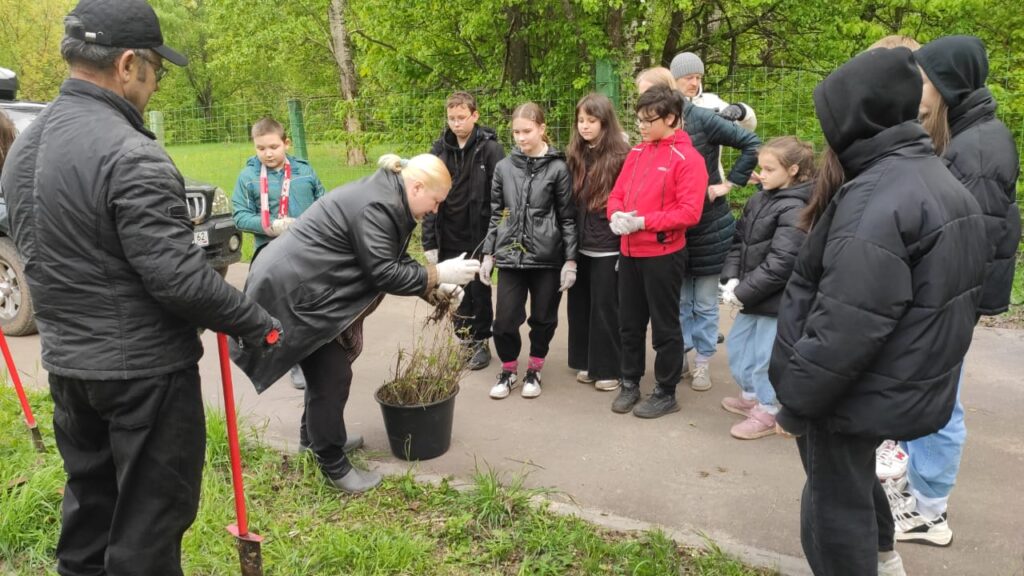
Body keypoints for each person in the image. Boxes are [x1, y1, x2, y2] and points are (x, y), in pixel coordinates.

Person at [0, 1, 283, 574]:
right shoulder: (132, 154)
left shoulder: (24, 148)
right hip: (144, 380)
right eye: (157, 68)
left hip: (71, 372)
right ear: (128, 64)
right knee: (148, 532)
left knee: (90, 509)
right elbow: (177, 278)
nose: (156, 83)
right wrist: (260, 324)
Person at [770, 47, 989, 576]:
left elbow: (847, 323)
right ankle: (885, 559)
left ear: (853, 116)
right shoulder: (933, 177)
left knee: (832, 510)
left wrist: (797, 401)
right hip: (891, 383)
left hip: (849, 391)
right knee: (855, 483)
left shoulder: (876, 199)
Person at [231, 154, 480, 493]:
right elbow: (383, 272)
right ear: (418, 187)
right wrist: (438, 272)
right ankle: (332, 462)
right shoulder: (377, 206)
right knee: (332, 375)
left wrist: (433, 289)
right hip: (295, 294)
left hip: (309, 287)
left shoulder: (390, 198)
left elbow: (387, 257)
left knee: (326, 375)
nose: (435, 210)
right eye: (435, 201)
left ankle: (314, 439)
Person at [884, 35, 1021, 548]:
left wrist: (929, 302)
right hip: (947, 295)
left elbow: (969, 241)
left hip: (950, 297)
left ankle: (930, 512)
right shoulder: (965, 133)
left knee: (941, 400)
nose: (914, 87)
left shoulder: (978, 148)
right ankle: (919, 493)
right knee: (933, 391)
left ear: (946, 84)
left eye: (921, 78)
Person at [606, 85, 708, 418]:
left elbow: (689, 212)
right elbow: (617, 194)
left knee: (665, 325)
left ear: (672, 118)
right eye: (639, 119)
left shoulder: (688, 159)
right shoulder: (636, 153)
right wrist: (616, 216)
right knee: (629, 323)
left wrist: (644, 222)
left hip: (663, 254)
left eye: (650, 120)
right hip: (629, 252)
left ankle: (666, 390)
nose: (643, 126)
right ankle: (630, 382)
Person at [667, 58, 762, 393]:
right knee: (678, 300)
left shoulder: (708, 108)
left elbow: (749, 130)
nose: (694, 83)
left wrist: (729, 184)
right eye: (688, 78)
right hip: (675, 220)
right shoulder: (660, 117)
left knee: (705, 301)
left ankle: (703, 362)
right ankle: (677, 354)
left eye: (697, 77)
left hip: (709, 216)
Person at [480, 102, 577, 400]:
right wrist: (489, 254)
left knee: (544, 318)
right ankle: (508, 370)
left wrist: (570, 261)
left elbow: (568, 217)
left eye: (527, 131)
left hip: (548, 258)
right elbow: (497, 213)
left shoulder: (558, 168)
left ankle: (534, 368)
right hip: (510, 256)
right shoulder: (504, 168)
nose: (521, 138)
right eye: (516, 132)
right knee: (505, 320)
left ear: (542, 128)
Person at [719, 136, 814, 440]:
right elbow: (739, 242)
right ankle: (750, 396)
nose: (761, 175)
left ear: (794, 169)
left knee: (766, 359)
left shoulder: (797, 207)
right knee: (738, 348)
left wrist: (742, 292)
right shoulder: (759, 198)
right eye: (761, 168)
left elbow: (783, 263)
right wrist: (731, 278)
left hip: (777, 302)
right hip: (751, 295)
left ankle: (769, 408)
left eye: (770, 169)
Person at [232, 116, 326, 389]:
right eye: (261, 148)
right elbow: (238, 215)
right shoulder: (248, 176)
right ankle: (293, 362)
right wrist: (270, 226)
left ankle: (317, 358)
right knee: (282, 309)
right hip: (270, 253)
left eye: (273, 146)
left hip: (306, 251)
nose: (268, 153)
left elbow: (324, 203)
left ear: (286, 143)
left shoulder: (305, 172)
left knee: (312, 304)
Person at [422, 91, 505, 371]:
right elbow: (428, 195)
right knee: (454, 289)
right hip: (448, 232)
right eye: (451, 118)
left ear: (474, 115)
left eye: (462, 117)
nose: (456, 123)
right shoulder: (439, 151)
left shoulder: (490, 150)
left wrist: (494, 239)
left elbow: (500, 195)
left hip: (479, 233)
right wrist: (429, 241)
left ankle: (481, 340)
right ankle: (464, 339)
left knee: (479, 289)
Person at [565, 93, 631, 393]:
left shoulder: (621, 156)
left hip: (608, 243)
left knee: (606, 307)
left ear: (605, 122)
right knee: (580, 306)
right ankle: (587, 363)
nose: (585, 127)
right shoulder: (575, 154)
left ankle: (610, 369)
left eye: (591, 121)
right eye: (581, 120)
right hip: (579, 244)